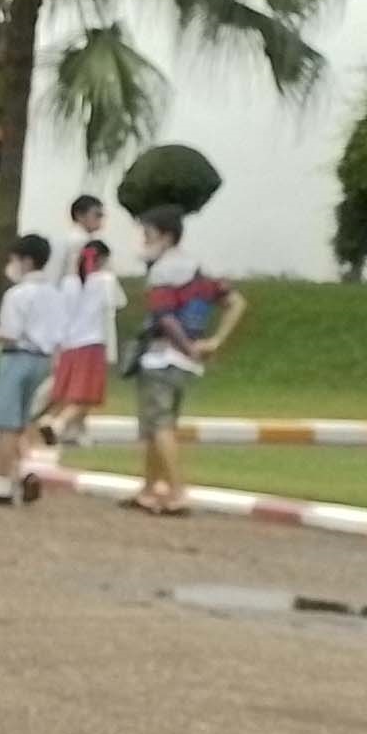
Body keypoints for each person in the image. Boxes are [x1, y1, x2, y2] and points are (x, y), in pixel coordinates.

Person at [129, 202, 241, 516]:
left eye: (149, 234)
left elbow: (164, 316)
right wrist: (215, 341)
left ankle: (176, 491)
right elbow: (236, 302)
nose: (144, 241)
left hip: (162, 355)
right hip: (186, 362)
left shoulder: (162, 272)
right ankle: (149, 489)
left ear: (165, 236)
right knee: (160, 424)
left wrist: (186, 346)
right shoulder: (199, 270)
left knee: (159, 426)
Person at [0, 233, 58, 506]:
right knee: (24, 421)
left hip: (17, 357)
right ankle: (26, 471)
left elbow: (11, 333)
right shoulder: (54, 293)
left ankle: (2, 485)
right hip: (43, 360)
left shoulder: (17, 294)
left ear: (26, 261)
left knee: (6, 424)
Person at [44, 235, 121, 453]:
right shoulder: (105, 281)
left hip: (69, 343)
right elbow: (118, 302)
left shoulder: (68, 283)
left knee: (69, 391)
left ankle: (72, 430)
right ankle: (58, 423)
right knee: (86, 395)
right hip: (92, 343)